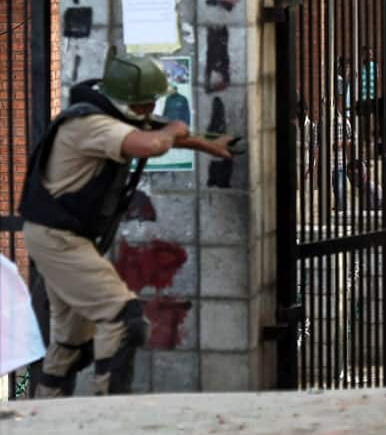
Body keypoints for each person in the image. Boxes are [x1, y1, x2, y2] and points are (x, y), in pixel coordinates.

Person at [19, 52, 233, 396]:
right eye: (148, 102)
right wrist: (176, 129)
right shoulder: (93, 125)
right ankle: (111, 408)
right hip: (59, 240)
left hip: (62, 237)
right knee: (124, 318)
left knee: (71, 342)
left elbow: (154, 131)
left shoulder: (111, 113)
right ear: (131, 100)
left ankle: (46, 411)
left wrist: (208, 146)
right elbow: (152, 142)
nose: (152, 109)